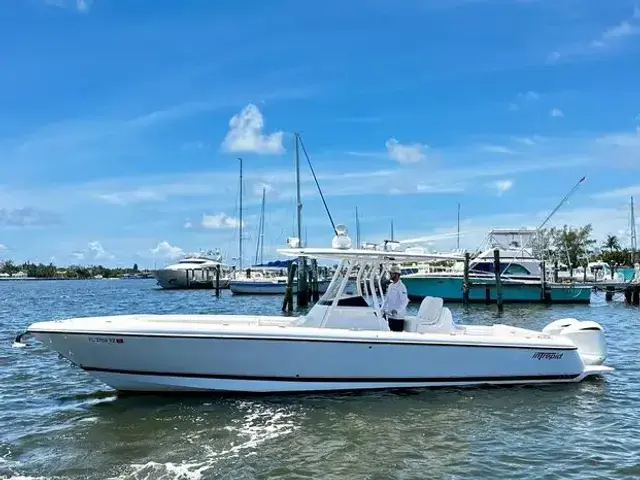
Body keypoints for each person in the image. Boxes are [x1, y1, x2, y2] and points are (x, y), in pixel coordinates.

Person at [383, 264, 409, 332]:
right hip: (390, 316)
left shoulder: (401, 287)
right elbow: (387, 299)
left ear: (397, 275)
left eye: (391, 273)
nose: (390, 275)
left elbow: (405, 301)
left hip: (398, 317)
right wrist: (382, 309)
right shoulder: (390, 286)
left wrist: (397, 311)